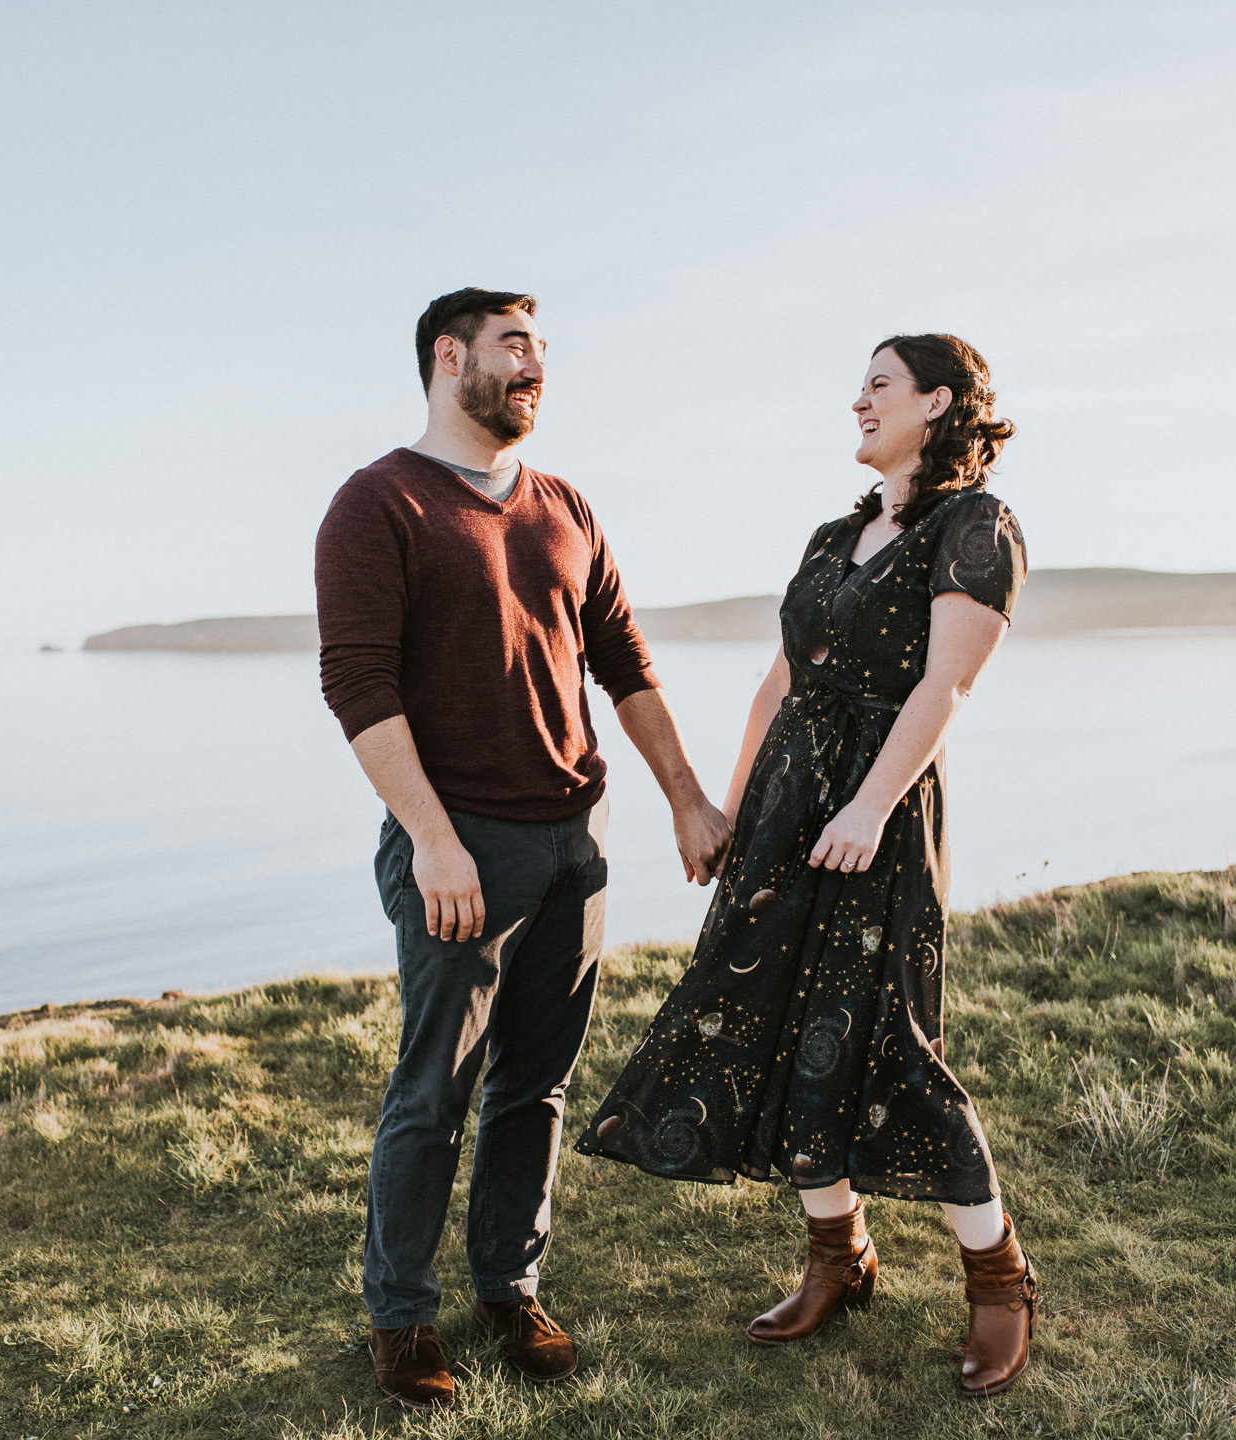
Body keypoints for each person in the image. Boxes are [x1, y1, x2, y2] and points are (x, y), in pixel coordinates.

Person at [575, 333, 1037, 1396]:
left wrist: (872, 805)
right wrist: (727, 815)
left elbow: (945, 689)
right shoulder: (835, 535)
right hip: (786, 808)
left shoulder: (977, 526)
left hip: (877, 812)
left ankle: (999, 1279)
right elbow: (776, 684)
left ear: (940, 401)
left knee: (888, 1038)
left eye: (878, 386)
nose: (858, 403)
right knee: (775, 1025)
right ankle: (840, 1255)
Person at [315, 287, 733, 1410]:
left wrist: (688, 799)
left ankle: (509, 1286)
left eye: (541, 348)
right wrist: (434, 842)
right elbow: (357, 685)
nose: (534, 366)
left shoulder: (565, 505)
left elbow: (625, 659)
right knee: (432, 1091)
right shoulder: (378, 503)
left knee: (536, 1086)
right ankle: (400, 1317)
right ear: (450, 359)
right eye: (514, 346)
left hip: (574, 840)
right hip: (463, 848)